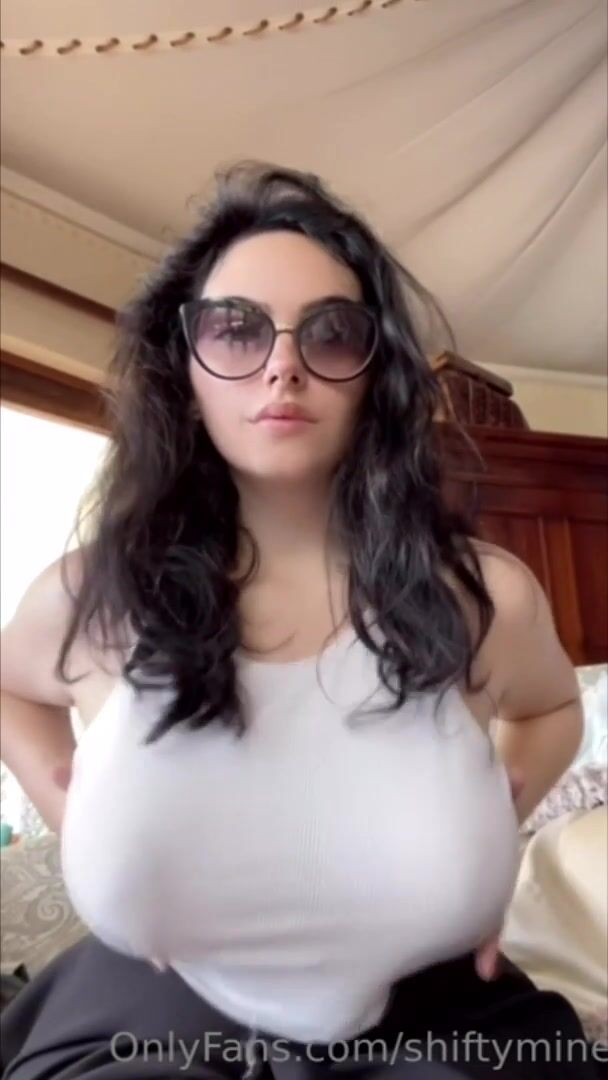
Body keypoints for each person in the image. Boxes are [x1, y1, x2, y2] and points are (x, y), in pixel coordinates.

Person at [0, 164, 596, 1079]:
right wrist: (71, 810)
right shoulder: (91, 597)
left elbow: (554, 709)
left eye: (331, 331)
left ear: (376, 374)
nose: (283, 364)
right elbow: (10, 688)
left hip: (437, 1013)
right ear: (183, 366)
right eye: (236, 328)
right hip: (148, 1016)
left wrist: (492, 822)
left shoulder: (485, 596)